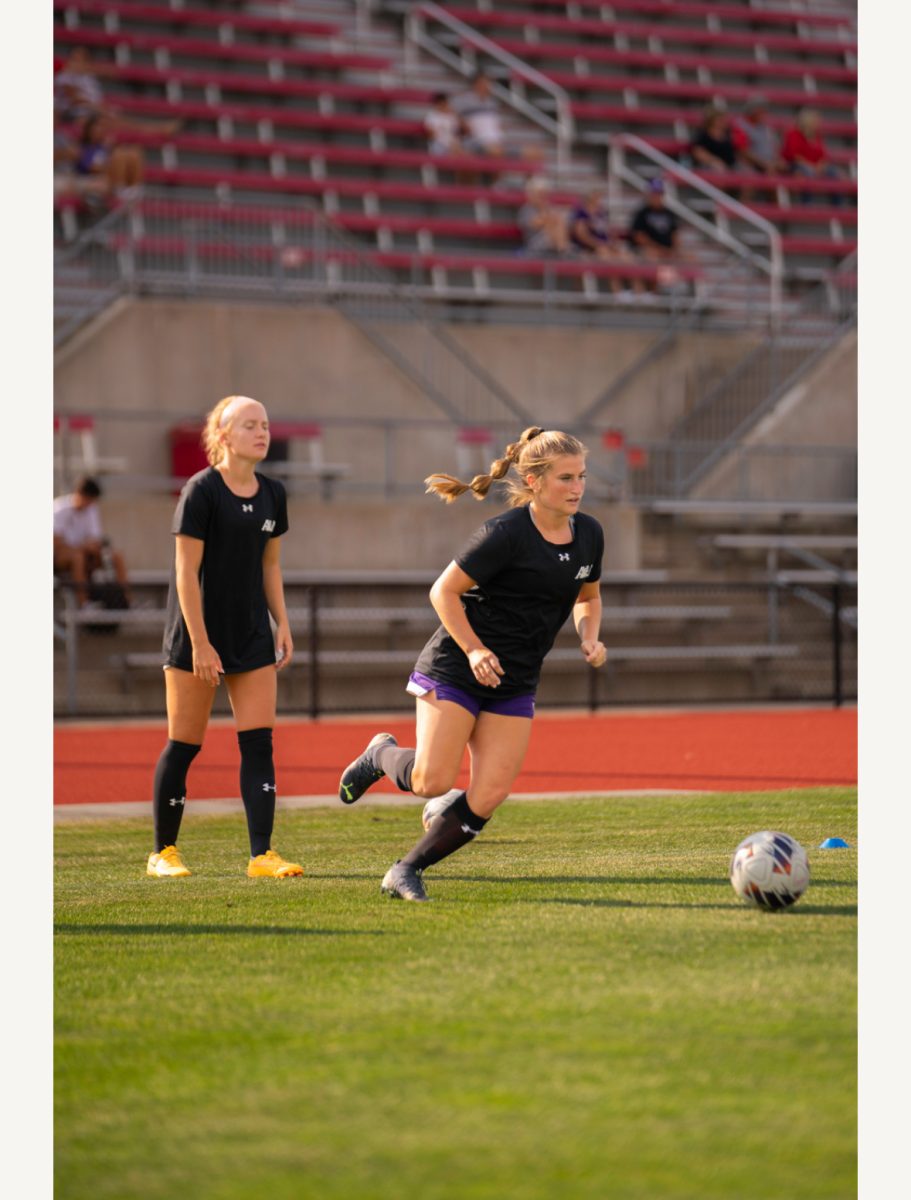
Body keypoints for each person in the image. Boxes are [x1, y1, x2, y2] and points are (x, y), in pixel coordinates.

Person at [336, 427, 607, 902]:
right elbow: (442, 592)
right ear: (533, 480)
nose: (578, 487)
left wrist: (590, 636)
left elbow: (589, 595)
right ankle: (381, 753)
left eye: (582, 476)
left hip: (516, 678)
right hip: (457, 666)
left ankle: (407, 869)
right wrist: (475, 649)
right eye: (566, 478)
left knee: (489, 794)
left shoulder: (590, 534)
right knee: (432, 782)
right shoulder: (504, 534)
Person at [147, 395, 302, 880]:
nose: (262, 432)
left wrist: (283, 623)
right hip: (198, 637)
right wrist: (200, 643)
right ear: (223, 435)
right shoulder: (201, 491)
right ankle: (163, 853)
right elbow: (185, 573)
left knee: (259, 745)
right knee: (185, 745)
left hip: (252, 634)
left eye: (265, 424)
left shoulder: (274, 492)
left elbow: (270, 565)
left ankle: (262, 855)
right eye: (250, 425)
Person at [53, 476, 130, 609]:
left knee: (117, 556)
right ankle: (85, 605)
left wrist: (89, 547)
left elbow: (95, 540)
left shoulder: (92, 509)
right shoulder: (59, 508)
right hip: (60, 558)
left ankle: (127, 601)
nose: (89, 504)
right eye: (88, 500)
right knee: (78, 557)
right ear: (80, 494)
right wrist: (82, 547)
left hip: (84, 553)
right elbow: (56, 542)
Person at [568, 188, 642, 298]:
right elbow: (581, 235)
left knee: (627, 257)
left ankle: (639, 293)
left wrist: (613, 245)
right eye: (597, 199)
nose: (599, 202)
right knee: (606, 255)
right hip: (589, 249)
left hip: (604, 246)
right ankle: (618, 292)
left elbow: (608, 234)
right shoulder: (581, 214)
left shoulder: (601, 214)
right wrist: (598, 245)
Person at [780, 107, 842, 204]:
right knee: (807, 172)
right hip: (798, 165)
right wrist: (811, 166)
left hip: (815, 166)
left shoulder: (817, 136)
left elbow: (823, 155)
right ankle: (807, 203)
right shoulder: (793, 134)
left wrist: (820, 165)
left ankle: (837, 205)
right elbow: (794, 155)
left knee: (835, 173)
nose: (818, 123)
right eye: (816, 121)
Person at [75, 114, 145, 200]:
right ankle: (120, 189)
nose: (101, 130)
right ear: (90, 129)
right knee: (119, 154)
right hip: (92, 177)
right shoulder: (83, 147)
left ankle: (135, 188)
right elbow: (91, 167)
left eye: (103, 127)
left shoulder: (104, 146)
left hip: (109, 175)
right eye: (98, 127)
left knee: (134, 152)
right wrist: (111, 164)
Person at [518, 176, 570, 256]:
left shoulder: (550, 207)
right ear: (531, 194)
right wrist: (549, 219)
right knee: (554, 225)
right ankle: (564, 252)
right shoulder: (526, 209)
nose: (543, 196)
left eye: (545, 193)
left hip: (553, 241)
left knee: (556, 224)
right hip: (534, 244)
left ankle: (563, 251)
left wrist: (548, 218)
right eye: (540, 193)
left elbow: (561, 219)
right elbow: (534, 224)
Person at [734, 95, 782, 175]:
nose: (764, 113)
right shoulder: (741, 125)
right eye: (760, 110)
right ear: (752, 110)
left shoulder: (766, 128)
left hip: (768, 164)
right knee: (748, 178)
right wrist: (763, 163)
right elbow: (742, 151)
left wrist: (777, 161)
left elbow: (774, 147)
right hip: (750, 164)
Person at [689, 107, 738, 173]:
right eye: (720, 119)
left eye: (724, 119)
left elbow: (737, 151)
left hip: (731, 165)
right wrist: (714, 160)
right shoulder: (703, 134)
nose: (723, 121)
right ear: (711, 120)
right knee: (717, 168)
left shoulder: (729, 133)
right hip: (710, 165)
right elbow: (698, 152)